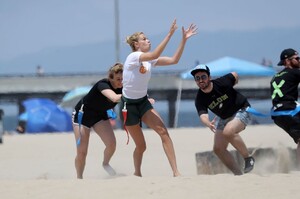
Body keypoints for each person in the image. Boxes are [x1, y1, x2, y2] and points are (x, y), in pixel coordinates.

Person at [121, 19, 197, 177]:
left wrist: (183, 40)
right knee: (141, 146)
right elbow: (155, 53)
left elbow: (174, 60)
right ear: (136, 44)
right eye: (144, 38)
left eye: (147, 38)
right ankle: (137, 173)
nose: (148, 40)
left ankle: (176, 172)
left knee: (163, 132)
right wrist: (169, 34)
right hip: (129, 106)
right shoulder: (133, 57)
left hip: (142, 102)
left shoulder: (149, 61)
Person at [191, 64, 255, 175]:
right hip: (224, 117)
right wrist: (208, 123)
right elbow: (203, 115)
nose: (201, 80)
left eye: (203, 77)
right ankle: (238, 173)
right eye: (197, 78)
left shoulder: (222, 82)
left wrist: (234, 84)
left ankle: (248, 158)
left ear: (209, 77)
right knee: (218, 149)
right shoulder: (199, 98)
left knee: (228, 132)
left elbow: (234, 74)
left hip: (242, 109)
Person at [72, 62, 123, 179]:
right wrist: (132, 94)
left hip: (99, 115)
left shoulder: (122, 88)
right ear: (111, 78)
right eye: (118, 79)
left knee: (111, 144)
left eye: (123, 79)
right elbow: (114, 98)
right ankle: (79, 178)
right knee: (82, 152)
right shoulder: (103, 85)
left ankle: (105, 163)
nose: (121, 82)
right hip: (82, 116)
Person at [270, 48, 300, 167]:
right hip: (289, 112)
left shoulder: (275, 76)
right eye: (297, 59)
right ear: (287, 61)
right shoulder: (294, 72)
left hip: (278, 115)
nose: (299, 61)